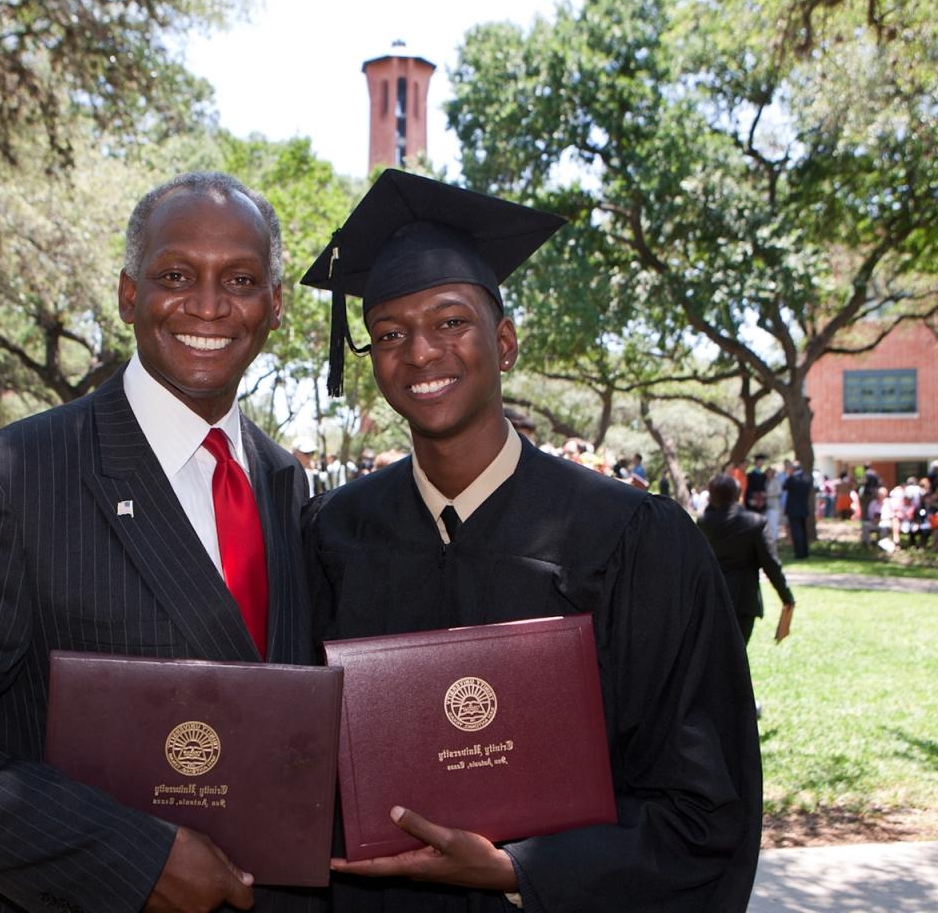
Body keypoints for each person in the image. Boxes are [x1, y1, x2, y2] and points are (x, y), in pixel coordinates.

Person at [0, 172, 323, 913]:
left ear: (275, 306)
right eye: (176, 275)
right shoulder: (13, 480)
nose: (210, 305)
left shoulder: (287, 484)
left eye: (242, 279)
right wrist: (129, 857)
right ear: (129, 295)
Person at [299, 170, 760, 911]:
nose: (419, 352)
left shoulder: (631, 538)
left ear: (504, 342)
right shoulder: (334, 535)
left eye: (451, 321)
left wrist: (527, 870)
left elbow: (704, 806)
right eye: (389, 333)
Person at [696, 474, 795, 648]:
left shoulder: (704, 523)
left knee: (712, 657)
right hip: (743, 600)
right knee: (737, 657)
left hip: (710, 598)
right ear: (738, 494)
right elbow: (770, 563)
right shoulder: (755, 523)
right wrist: (786, 596)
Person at [783, 461, 814, 559]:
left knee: (796, 532)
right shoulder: (807, 478)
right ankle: (805, 552)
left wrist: (789, 475)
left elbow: (784, 486)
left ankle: (799, 553)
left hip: (793, 509)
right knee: (803, 531)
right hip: (803, 508)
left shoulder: (792, 479)